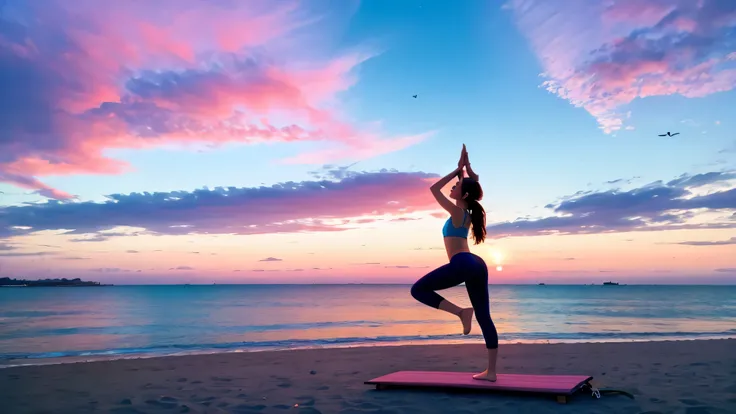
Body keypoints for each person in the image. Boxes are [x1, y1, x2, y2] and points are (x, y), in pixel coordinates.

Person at [410, 144, 499, 381]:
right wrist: (466, 170)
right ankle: (491, 372)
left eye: (457, 186)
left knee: (418, 289)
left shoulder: (458, 214)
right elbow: (472, 185)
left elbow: (433, 188)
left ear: (464, 195)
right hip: (476, 264)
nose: (453, 186)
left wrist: (457, 169)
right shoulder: (466, 212)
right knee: (484, 317)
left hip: (463, 262)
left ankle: (460, 312)